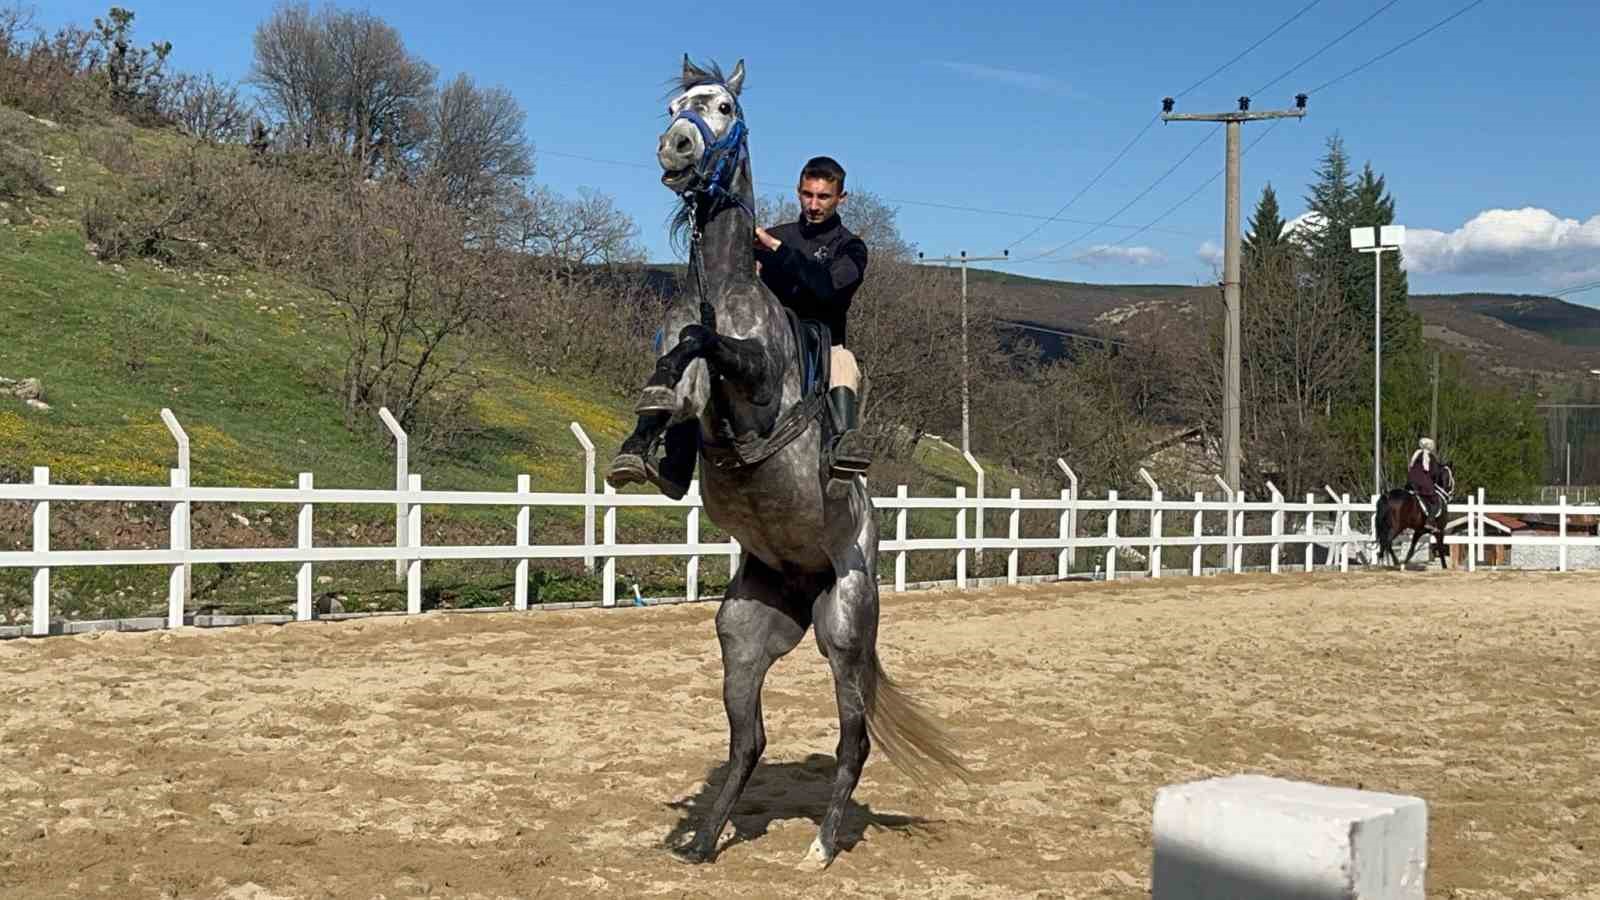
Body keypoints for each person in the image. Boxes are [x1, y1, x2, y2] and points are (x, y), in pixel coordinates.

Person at [753, 155, 871, 482]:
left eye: (823, 196)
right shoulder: (773, 236)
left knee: (844, 360)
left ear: (841, 198)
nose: (814, 204)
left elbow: (828, 289)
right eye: (808, 194)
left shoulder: (851, 248)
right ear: (798, 192)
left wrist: (777, 252)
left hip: (821, 348)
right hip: (769, 341)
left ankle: (843, 448)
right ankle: (671, 447)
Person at [1408, 437, 1440, 519]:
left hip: (1411, 481)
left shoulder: (1416, 455)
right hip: (1423, 482)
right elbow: (1434, 472)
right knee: (1435, 499)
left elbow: (1410, 467)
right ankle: (1430, 520)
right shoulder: (1430, 456)